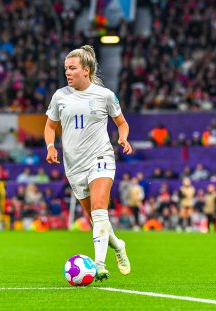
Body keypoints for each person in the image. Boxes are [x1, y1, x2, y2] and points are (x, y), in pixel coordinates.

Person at [44, 45, 132, 281]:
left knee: (100, 210)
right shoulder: (60, 97)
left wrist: (122, 137)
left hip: (100, 158)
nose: (68, 73)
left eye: (72, 68)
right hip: (73, 166)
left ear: (86, 69)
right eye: (66, 69)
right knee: (95, 219)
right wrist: (50, 146)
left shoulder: (105, 96)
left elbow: (121, 122)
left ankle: (99, 265)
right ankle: (118, 245)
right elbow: (50, 126)